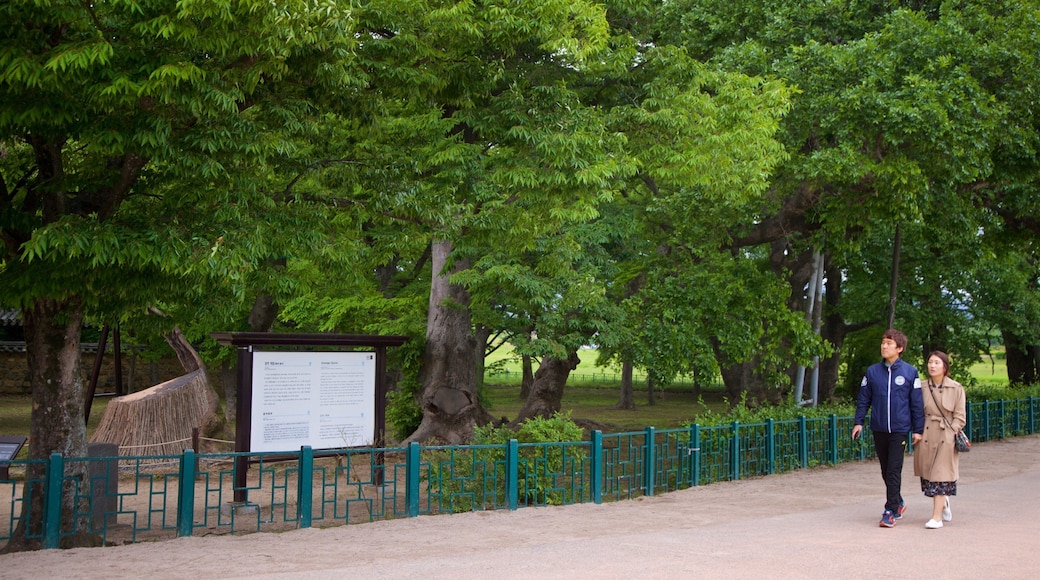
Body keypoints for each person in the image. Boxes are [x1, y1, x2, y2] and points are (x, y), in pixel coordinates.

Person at [852, 328, 924, 528]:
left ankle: (890, 510)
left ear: (899, 348)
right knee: (885, 469)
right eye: (883, 342)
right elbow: (863, 399)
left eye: (889, 343)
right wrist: (859, 422)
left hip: (900, 429)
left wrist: (918, 429)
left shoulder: (910, 372)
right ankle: (898, 502)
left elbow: (916, 403)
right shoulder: (873, 372)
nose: (884, 346)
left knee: (894, 469)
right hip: (879, 427)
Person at [913, 350, 967, 529]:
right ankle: (943, 502)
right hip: (927, 434)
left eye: (936, 362)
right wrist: (916, 431)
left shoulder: (956, 388)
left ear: (945, 366)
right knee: (928, 475)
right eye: (930, 362)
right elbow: (915, 410)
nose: (932, 366)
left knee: (941, 475)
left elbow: (960, 415)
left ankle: (936, 518)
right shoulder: (920, 387)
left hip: (946, 434)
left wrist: (953, 432)